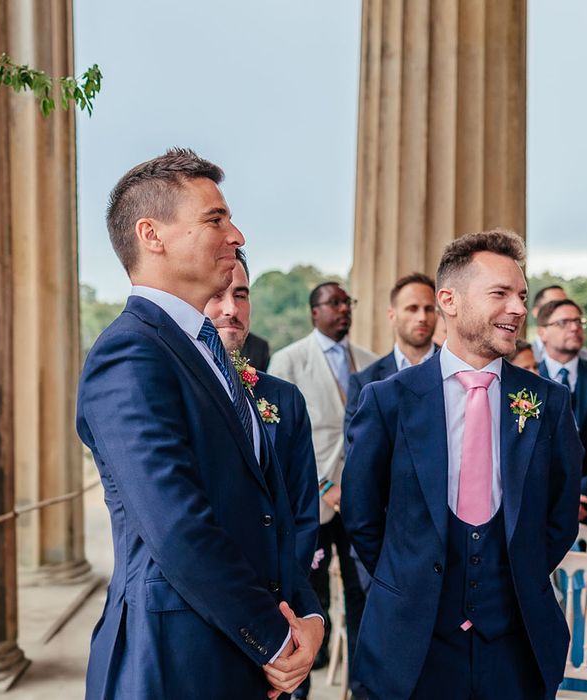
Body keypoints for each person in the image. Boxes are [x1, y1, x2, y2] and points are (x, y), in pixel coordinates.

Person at [76, 148, 323, 699]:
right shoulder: (130, 354)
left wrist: (309, 616)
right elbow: (177, 527)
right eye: (215, 219)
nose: (236, 235)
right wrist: (276, 641)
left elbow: (269, 510)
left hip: (247, 661)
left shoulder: (208, 350)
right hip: (175, 663)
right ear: (152, 235)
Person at [342, 229, 581, 699]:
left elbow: (559, 518)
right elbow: (362, 517)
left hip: (516, 652)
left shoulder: (548, 403)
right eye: (500, 293)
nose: (517, 308)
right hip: (411, 650)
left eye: (522, 296)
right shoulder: (388, 401)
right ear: (448, 300)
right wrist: (408, 581)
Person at [269, 282, 377, 700]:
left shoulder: (368, 362)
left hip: (359, 504)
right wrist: (326, 486)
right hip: (310, 502)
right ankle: (300, 687)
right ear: (314, 312)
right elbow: (280, 439)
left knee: (360, 595)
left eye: (347, 302)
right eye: (333, 303)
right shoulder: (290, 360)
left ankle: (361, 686)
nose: (342, 309)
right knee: (309, 597)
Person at [204, 248, 319, 572]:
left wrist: (286, 596)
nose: (231, 309)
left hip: (278, 597)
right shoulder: (173, 392)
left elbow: (303, 512)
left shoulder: (285, 398)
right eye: (217, 294)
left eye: (240, 295)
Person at [537, 299, 587, 528]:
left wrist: (582, 491)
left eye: (578, 321)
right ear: (542, 332)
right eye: (564, 322)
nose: (575, 327)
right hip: (542, 504)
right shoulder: (527, 375)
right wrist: (559, 497)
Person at [344, 272, 437, 433]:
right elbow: (358, 451)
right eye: (412, 308)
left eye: (429, 309)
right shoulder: (364, 382)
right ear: (392, 315)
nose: (422, 317)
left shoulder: (459, 369)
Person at [530, 285, 587, 363]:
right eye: (553, 304)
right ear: (536, 312)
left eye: (565, 302)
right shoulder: (521, 358)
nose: (564, 308)